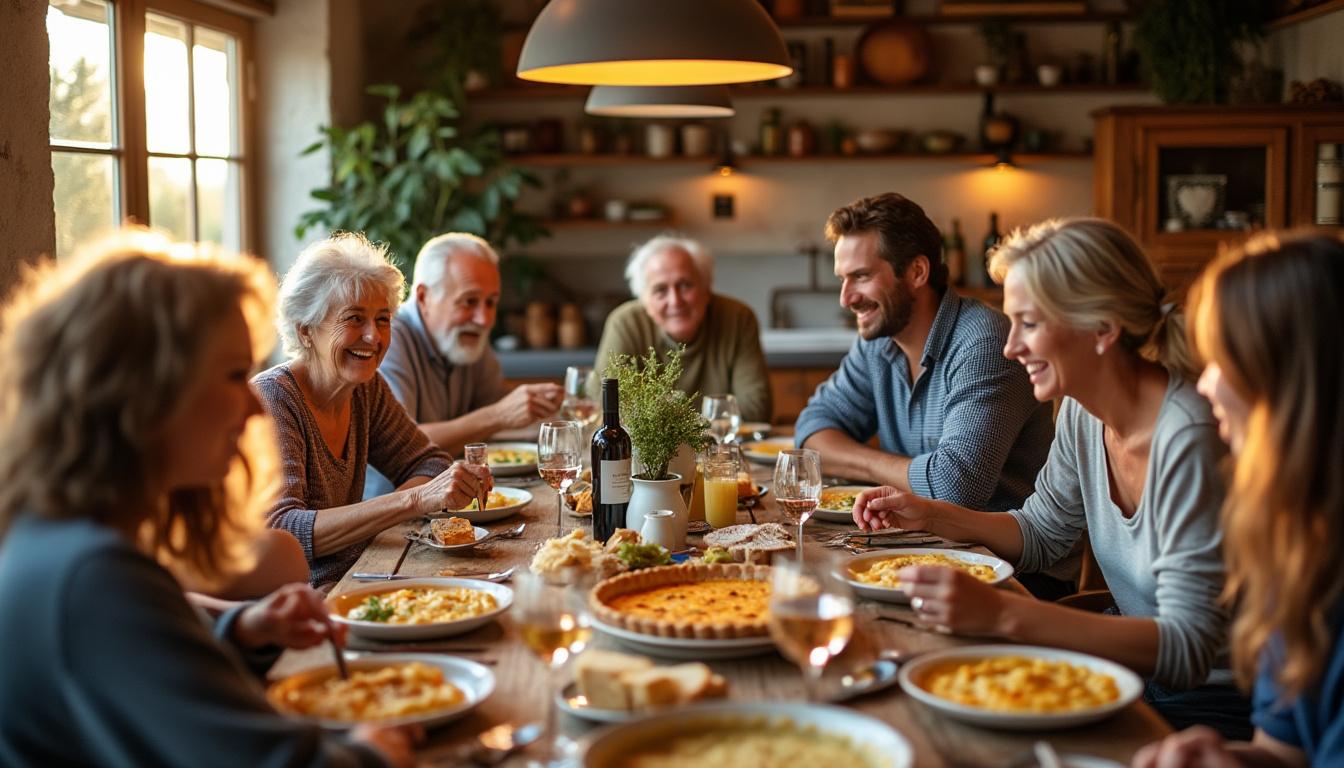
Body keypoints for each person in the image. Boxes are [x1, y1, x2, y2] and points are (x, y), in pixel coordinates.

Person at [0, 230, 415, 767]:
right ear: (147, 392)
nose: (251, 407)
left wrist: (242, 625)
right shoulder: (91, 578)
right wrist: (371, 755)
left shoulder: (63, 537)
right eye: (233, 375)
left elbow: (146, 631)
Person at [854, 218, 1248, 738]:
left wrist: (1004, 615)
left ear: (1103, 328)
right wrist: (930, 513)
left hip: (1215, 704)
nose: (1010, 347)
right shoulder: (1085, 412)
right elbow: (1042, 534)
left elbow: (1188, 650)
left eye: (1029, 323)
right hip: (1130, 670)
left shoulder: (1188, 435)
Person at [1132, 231, 1344, 767]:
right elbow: (1287, 750)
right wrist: (1231, 758)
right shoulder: (1297, 541)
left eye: (1224, 361)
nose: (1205, 386)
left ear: (1287, 382)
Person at [256, 232, 491, 586]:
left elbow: (430, 463)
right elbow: (283, 532)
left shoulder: (366, 389)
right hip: (296, 603)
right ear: (306, 330)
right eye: (354, 319)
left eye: (382, 319)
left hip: (364, 572)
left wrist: (418, 498)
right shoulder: (273, 399)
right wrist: (412, 501)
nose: (374, 337)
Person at [797, 192, 1052, 511]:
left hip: (996, 556)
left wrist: (874, 470)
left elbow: (955, 487)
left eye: (861, 276)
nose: (846, 298)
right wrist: (906, 472)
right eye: (842, 279)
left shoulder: (985, 343)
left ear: (917, 272)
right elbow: (812, 430)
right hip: (914, 543)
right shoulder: (877, 342)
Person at [366, 232, 563, 498]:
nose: (483, 319)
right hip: (392, 514)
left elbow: (495, 401)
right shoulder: (389, 337)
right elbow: (402, 443)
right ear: (424, 297)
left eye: (491, 302)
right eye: (469, 301)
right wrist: (499, 415)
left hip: (451, 499)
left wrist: (541, 403)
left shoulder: (466, 336)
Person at [593, 234, 771, 423]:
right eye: (660, 290)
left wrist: (664, 423)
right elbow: (606, 406)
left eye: (685, 285)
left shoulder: (738, 319)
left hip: (720, 450)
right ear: (644, 299)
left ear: (706, 287)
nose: (675, 301)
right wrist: (705, 422)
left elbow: (757, 407)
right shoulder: (625, 323)